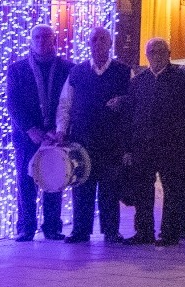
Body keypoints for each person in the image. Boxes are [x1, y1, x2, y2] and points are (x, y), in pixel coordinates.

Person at [55, 26, 132, 244]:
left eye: (103, 39)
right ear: (88, 44)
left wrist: (123, 103)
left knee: (110, 188)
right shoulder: (76, 72)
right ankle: (80, 230)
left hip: (112, 140)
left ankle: (111, 231)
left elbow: (134, 102)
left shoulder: (124, 72)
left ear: (110, 44)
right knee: (82, 186)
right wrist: (61, 130)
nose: (98, 43)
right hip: (82, 140)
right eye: (94, 40)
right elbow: (65, 104)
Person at [123, 38, 185, 245]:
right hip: (143, 145)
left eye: (160, 51)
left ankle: (170, 233)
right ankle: (144, 232)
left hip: (172, 145)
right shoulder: (138, 81)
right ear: (146, 55)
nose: (156, 56)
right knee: (142, 190)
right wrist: (129, 147)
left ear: (169, 54)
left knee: (173, 190)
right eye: (152, 52)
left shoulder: (184, 80)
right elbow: (131, 115)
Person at [5, 25, 70, 241]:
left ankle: (52, 227)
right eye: (37, 37)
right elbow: (13, 103)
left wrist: (58, 130)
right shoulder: (17, 70)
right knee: (26, 181)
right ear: (31, 41)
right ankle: (26, 227)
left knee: (53, 179)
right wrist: (30, 129)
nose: (42, 41)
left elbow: (68, 101)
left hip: (54, 135)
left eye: (46, 37)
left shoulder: (66, 68)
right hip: (26, 136)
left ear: (54, 40)